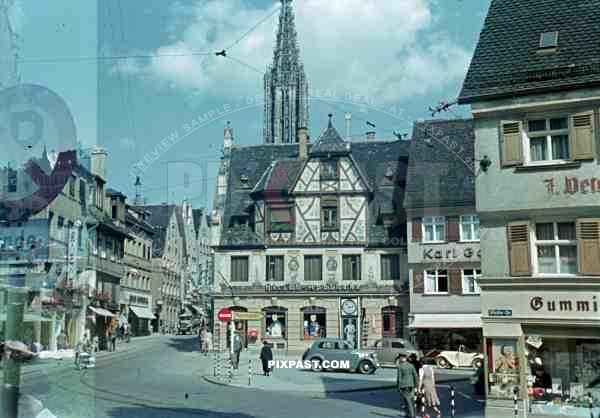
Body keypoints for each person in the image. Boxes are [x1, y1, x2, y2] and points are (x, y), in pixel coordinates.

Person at [397, 353, 418, 418]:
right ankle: (409, 414)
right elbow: (415, 376)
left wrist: (398, 387)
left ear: (402, 359)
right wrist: (416, 385)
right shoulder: (411, 365)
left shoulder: (400, 366)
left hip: (404, 386)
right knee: (411, 400)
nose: (399, 359)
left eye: (400, 358)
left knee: (407, 401)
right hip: (411, 385)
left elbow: (399, 378)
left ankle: (411, 415)